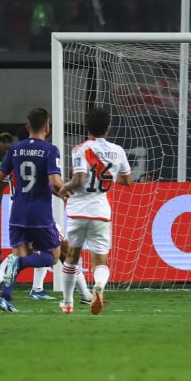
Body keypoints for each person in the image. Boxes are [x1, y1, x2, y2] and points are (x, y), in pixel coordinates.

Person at [0, 108, 67, 313]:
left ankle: (6, 298)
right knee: (52, 256)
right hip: (40, 215)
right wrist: (66, 193)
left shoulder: (15, 149)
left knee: (20, 254)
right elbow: (54, 182)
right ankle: (19, 264)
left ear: (28, 127)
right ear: (47, 127)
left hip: (17, 213)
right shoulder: (50, 150)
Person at [58, 107, 133, 315]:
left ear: (87, 128)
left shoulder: (80, 149)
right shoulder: (117, 150)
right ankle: (98, 286)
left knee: (72, 256)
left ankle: (67, 303)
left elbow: (80, 179)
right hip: (101, 211)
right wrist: (107, 176)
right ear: (108, 128)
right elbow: (128, 180)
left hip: (78, 210)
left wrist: (65, 187)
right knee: (100, 261)